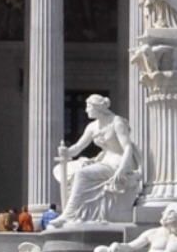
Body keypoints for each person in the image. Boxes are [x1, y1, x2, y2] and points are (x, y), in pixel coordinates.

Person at [49, 95, 141, 226]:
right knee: (65, 170)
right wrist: (66, 152)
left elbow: (127, 148)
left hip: (117, 163)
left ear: (98, 108)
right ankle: (79, 213)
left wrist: (122, 169)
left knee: (82, 174)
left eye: (88, 107)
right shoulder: (92, 127)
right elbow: (78, 147)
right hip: (103, 162)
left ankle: (68, 215)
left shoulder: (116, 122)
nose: (86, 110)